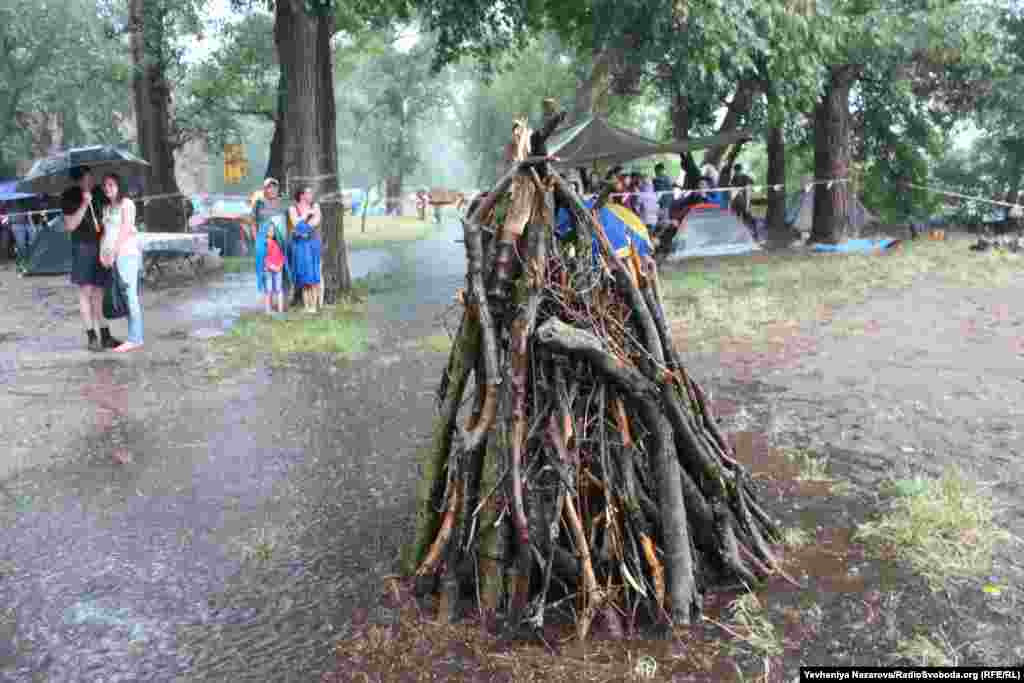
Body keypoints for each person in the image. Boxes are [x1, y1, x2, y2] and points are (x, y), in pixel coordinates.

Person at [62, 165, 121, 352]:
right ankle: (91, 337)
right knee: (85, 292)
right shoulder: (69, 196)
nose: (91, 180)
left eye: (91, 176)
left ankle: (105, 335)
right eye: (88, 177)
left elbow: (111, 208)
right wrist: (83, 204)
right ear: (79, 179)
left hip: (100, 246)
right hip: (82, 247)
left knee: (99, 292)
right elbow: (70, 226)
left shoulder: (98, 192)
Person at [98, 174, 143, 352]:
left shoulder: (127, 204)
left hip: (127, 255)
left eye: (111, 185)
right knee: (123, 296)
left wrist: (114, 252)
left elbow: (125, 230)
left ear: (119, 186)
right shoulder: (106, 208)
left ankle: (135, 338)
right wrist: (102, 253)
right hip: (111, 258)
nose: (107, 188)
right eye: (105, 185)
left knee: (130, 296)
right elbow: (105, 233)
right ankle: (133, 336)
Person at [252, 178, 290, 314]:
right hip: (264, 242)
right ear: (265, 189)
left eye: (274, 187)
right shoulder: (259, 204)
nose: (272, 189)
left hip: (280, 243)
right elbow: (253, 223)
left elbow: (289, 221)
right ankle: (268, 306)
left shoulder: (283, 203)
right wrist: (257, 241)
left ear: (278, 188)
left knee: (282, 271)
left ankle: (281, 303)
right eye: (269, 187)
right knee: (265, 272)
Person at [288, 186, 323, 313]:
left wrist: (302, 226)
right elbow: (295, 223)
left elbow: (315, 222)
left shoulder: (315, 206)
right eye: (309, 193)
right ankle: (307, 306)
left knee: (313, 275)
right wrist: (306, 215)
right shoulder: (293, 208)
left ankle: (314, 305)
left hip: (312, 243)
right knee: (303, 276)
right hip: (300, 245)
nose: (311, 195)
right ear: (302, 195)